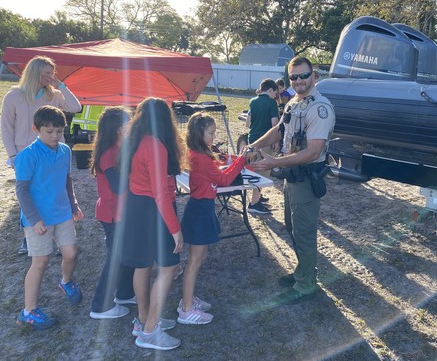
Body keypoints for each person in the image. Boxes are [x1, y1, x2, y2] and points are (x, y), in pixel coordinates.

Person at [247, 57, 335, 305]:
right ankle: (303, 272)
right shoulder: (294, 104)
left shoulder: (320, 108)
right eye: (293, 77)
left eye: (303, 76)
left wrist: (274, 162)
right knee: (293, 227)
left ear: (314, 76)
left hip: (307, 178)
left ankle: (306, 284)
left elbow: (313, 152)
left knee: (304, 232)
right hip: (291, 178)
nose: (298, 81)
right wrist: (255, 144)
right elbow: (278, 131)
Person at [119, 97, 184, 351]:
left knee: (143, 264)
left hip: (138, 207)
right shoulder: (156, 146)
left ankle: (145, 319)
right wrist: (175, 229)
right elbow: (160, 194)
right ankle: (149, 331)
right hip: (152, 209)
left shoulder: (135, 140)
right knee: (170, 267)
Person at [1, 56, 81, 255]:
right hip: (24, 154)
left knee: (52, 190)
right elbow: (6, 127)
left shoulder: (53, 95)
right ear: (34, 72)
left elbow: (76, 107)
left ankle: (56, 235)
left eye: (52, 72)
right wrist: (12, 155)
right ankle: (29, 238)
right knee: (27, 192)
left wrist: (61, 85)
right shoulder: (14, 95)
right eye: (46, 73)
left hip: (53, 153)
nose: (50, 76)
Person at [14, 105, 84, 330]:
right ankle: (29, 311)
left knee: (71, 253)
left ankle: (65, 282)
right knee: (41, 262)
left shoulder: (65, 150)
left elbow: (67, 180)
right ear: (36, 129)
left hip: (62, 213)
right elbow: (22, 190)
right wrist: (34, 220)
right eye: (49, 131)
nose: (55, 136)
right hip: (38, 219)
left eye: (59, 131)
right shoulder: (28, 155)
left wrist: (74, 205)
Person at [178, 112, 247, 325]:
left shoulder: (201, 153)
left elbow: (216, 172)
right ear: (199, 134)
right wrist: (242, 159)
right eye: (211, 133)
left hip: (203, 207)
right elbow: (225, 179)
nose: (214, 137)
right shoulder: (199, 156)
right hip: (199, 209)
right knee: (194, 261)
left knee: (200, 257)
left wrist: (232, 160)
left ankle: (188, 300)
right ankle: (186, 310)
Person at [89, 107, 136, 320]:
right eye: (129, 123)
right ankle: (100, 306)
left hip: (120, 213)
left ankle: (125, 294)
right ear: (119, 129)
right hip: (112, 215)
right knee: (115, 259)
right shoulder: (110, 153)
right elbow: (118, 186)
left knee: (125, 255)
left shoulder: (118, 147)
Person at [245, 78, 279, 214]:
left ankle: (257, 198)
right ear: (270, 90)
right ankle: (254, 204)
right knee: (262, 172)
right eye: (275, 93)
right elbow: (275, 125)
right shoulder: (272, 103)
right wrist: (276, 141)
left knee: (255, 170)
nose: (275, 96)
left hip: (252, 140)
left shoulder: (252, 101)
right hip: (265, 142)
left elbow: (248, 123)